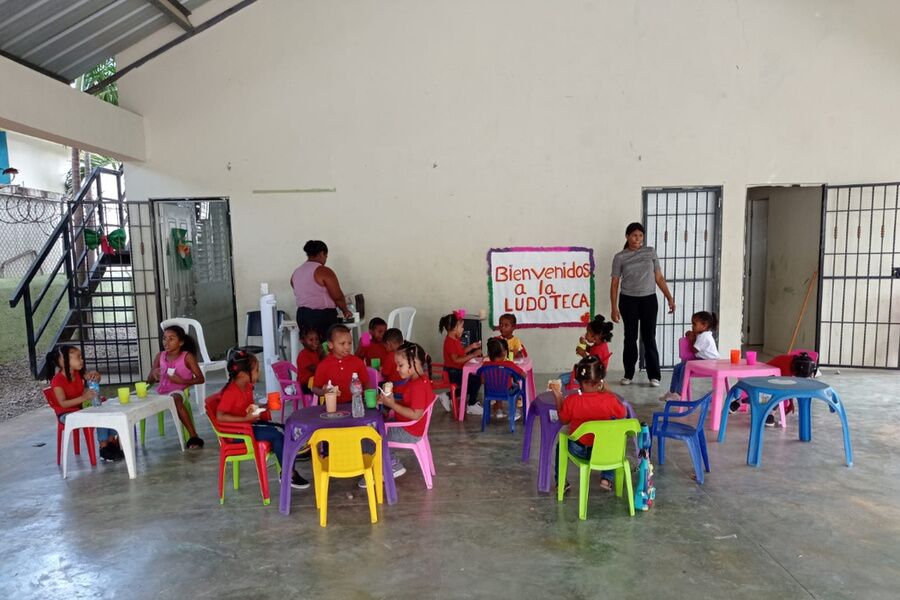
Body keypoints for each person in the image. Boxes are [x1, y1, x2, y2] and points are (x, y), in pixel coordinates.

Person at [216, 349, 309, 489]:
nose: (258, 373)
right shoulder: (231, 392)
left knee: (286, 428)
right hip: (239, 433)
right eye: (256, 370)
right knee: (278, 434)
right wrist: (245, 419)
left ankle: (289, 470)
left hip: (248, 425)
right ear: (242, 374)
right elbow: (220, 416)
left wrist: (265, 406)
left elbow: (248, 407)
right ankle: (288, 474)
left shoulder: (246, 386)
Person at [359, 342, 435, 488]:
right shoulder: (419, 380)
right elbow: (409, 403)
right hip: (410, 426)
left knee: (369, 436)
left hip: (409, 431)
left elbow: (415, 414)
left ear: (414, 363)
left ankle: (390, 466)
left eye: (400, 365)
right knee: (378, 425)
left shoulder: (417, 385)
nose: (397, 368)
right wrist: (389, 401)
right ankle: (383, 463)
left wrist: (392, 405)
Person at [610, 222, 675, 387]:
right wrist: (614, 307)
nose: (637, 239)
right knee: (630, 338)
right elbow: (615, 283)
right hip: (628, 300)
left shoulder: (650, 252)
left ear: (643, 237)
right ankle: (628, 374)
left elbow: (659, 278)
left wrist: (669, 297)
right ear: (627, 236)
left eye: (640, 235)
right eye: (633, 235)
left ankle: (654, 376)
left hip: (649, 300)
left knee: (649, 337)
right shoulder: (620, 257)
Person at [550, 356, 627, 493]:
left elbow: (563, 419)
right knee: (614, 441)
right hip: (604, 451)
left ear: (579, 381)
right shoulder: (609, 400)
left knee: (560, 445)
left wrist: (558, 398)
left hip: (579, 450)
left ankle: (560, 483)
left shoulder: (572, 401)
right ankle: (606, 478)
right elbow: (622, 413)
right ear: (600, 381)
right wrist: (608, 391)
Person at [44, 345, 124, 462]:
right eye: (78, 357)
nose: (82, 360)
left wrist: (96, 376)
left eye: (81, 357)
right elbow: (63, 404)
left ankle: (111, 440)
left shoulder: (78, 372)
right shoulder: (57, 381)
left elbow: (93, 379)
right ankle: (104, 447)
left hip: (80, 409)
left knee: (104, 407)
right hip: (66, 415)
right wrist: (84, 397)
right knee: (97, 413)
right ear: (64, 360)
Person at [145, 325, 206, 449]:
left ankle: (193, 436)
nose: (166, 342)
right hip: (161, 392)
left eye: (171, 339)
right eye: (164, 338)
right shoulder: (160, 356)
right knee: (137, 401)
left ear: (181, 342)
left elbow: (201, 379)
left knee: (174, 399)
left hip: (179, 391)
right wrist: (154, 374)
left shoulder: (187, 357)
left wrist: (182, 380)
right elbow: (149, 381)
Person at [290, 240, 352, 341]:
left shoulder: (296, 273)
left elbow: (299, 290)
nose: (325, 259)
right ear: (322, 253)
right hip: (322, 316)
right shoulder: (323, 271)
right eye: (326, 256)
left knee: (310, 345)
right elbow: (337, 295)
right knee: (325, 346)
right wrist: (345, 310)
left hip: (302, 315)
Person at [660, 311, 718, 402]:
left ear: (704, 326)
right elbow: (692, 335)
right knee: (677, 367)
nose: (692, 326)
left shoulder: (705, 336)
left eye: (694, 324)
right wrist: (690, 334)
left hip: (709, 362)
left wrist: (691, 340)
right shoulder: (700, 334)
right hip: (701, 360)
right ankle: (672, 391)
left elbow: (694, 350)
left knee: (684, 368)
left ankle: (679, 393)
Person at [440, 312, 483, 414]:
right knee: (476, 381)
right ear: (454, 328)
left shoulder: (455, 339)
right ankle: (471, 405)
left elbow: (460, 352)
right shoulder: (450, 342)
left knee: (473, 382)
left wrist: (472, 347)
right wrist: (473, 355)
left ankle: (448, 395)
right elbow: (456, 360)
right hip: (453, 372)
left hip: (457, 370)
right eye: (461, 327)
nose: (463, 329)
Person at [313, 324, 370, 400]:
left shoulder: (358, 362)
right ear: (330, 345)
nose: (347, 347)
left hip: (354, 404)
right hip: (332, 406)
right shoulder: (323, 365)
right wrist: (324, 392)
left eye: (349, 343)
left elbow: (366, 383)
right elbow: (315, 388)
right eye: (342, 343)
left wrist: (367, 397)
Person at [565, 314, 614, 391]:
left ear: (597, 336)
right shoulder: (599, 345)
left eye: (587, 332)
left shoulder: (600, 349)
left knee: (563, 378)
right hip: (592, 374)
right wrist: (585, 345)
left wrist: (583, 354)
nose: (585, 334)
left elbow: (593, 366)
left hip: (593, 376)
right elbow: (592, 350)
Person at [482, 337, 525, 421]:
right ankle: (514, 411)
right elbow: (523, 374)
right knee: (516, 387)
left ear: (489, 353)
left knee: (496, 385)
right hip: (507, 391)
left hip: (491, 391)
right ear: (505, 352)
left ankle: (499, 410)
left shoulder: (485, 365)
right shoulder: (508, 364)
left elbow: (483, 381)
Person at [295, 326, 321, 393]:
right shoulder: (303, 355)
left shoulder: (315, 352)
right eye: (311, 340)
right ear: (302, 341)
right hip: (305, 385)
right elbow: (314, 369)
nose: (315, 342)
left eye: (317, 339)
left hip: (313, 381)